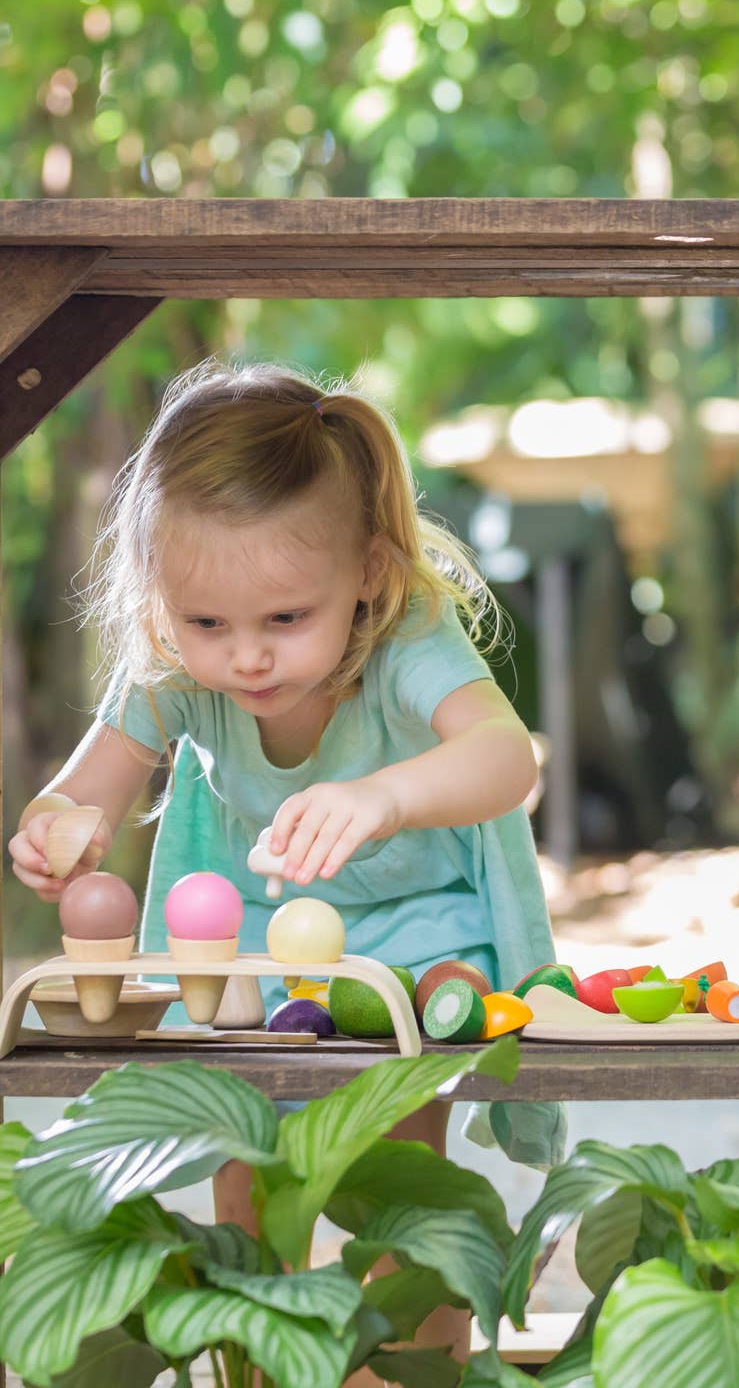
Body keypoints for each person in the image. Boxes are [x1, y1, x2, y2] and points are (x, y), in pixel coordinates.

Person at [8, 359, 561, 1362]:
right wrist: (59, 829)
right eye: (207, 622)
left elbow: (503, 756)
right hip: (253, 954)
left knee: (401, 1183)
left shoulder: (407, 641)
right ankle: (259, 1365)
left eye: (285, 620)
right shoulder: (178, 669)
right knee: (244, 1169)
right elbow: (86, 787)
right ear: (163, 602)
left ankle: (415, 1370)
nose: (245, 658)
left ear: (370, 578)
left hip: (415, 939)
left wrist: (383, 796)